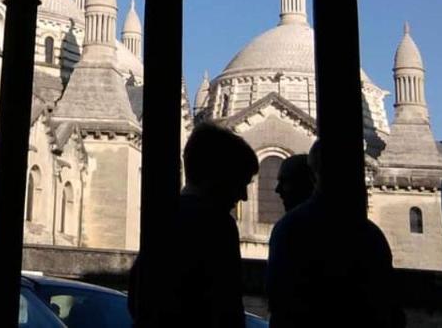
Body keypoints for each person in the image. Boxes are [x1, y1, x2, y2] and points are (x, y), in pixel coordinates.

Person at [131, 122, 259, 327]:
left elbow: (136, 298)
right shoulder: (218, 224)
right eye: (240, 183)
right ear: (218, 177)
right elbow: (226, 309)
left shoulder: (163, 216)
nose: (243, 196)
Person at [266, 140, 404, 327]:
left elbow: (280, 302)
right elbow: (390, 306)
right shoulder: (370, 233)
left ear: (312, 177)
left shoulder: (289, 228)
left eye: (285, 182)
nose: (278, 190)